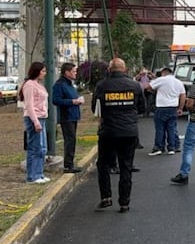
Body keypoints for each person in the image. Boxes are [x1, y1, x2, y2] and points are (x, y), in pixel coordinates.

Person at [92, 57, 146, 212]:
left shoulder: (102, 85)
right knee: (126, 166)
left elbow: (95, 108)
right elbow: (142, 108)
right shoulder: (134, 85)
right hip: (129, 132)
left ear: (109, 70)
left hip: (108, 131)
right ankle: (124, 203)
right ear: (125, 69)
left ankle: (106, 197)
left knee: (103, 164)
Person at [51, 62, 84, 173]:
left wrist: (78, 100)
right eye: (73, 71)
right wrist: (72, 101)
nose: (75, 73)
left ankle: (70, 163)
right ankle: (68, 165)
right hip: (66, 116)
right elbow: (56, 100)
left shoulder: (70, 84)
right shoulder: (59, 85)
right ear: (67, 72)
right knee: (70, 139)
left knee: (72, 139)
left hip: (73, 115)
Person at [20, 62, 50, 184]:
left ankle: (39, 173)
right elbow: (29, 105)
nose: (44, 73)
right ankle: (32, 176)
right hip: (34, 118)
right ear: (36, 71)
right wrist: (35, 122)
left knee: (42, 148)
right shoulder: (29, 85)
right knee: (35, 147)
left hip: (42, 117)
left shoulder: (39, 84)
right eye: (43, 71)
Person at [148, 67, 184, 155]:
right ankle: (172, 148)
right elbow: (183, 95)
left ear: (164, 72)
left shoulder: (161, 79)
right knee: (171, 128)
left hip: (161, 107)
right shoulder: (179, 82)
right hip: (173, 107)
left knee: (160, 128)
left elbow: (148, 87)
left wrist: (154, 90)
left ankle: (159, 147)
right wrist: (180, 108)